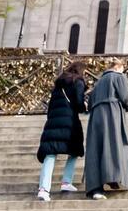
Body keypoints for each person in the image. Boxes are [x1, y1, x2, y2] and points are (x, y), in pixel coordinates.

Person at [35, 61, 87, 202]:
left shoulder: (58, 85)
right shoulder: (78, 82)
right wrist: (85, 106)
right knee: (75, 150)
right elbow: (79, 103)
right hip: (70, 122)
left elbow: (51, 106)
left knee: (50, 154)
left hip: (53, 121)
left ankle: (44, 189)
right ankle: (66, 181)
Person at [84, 58, 128, 199]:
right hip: (112, 115)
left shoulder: (99, 82)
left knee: (97, 148)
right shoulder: (119, 77)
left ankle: (96, 187)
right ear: (118, 67)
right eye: (123, 68)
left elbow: (91, 101)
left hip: (96, 117)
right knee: (113, 144)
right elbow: (126, 98)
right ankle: (114, 178)